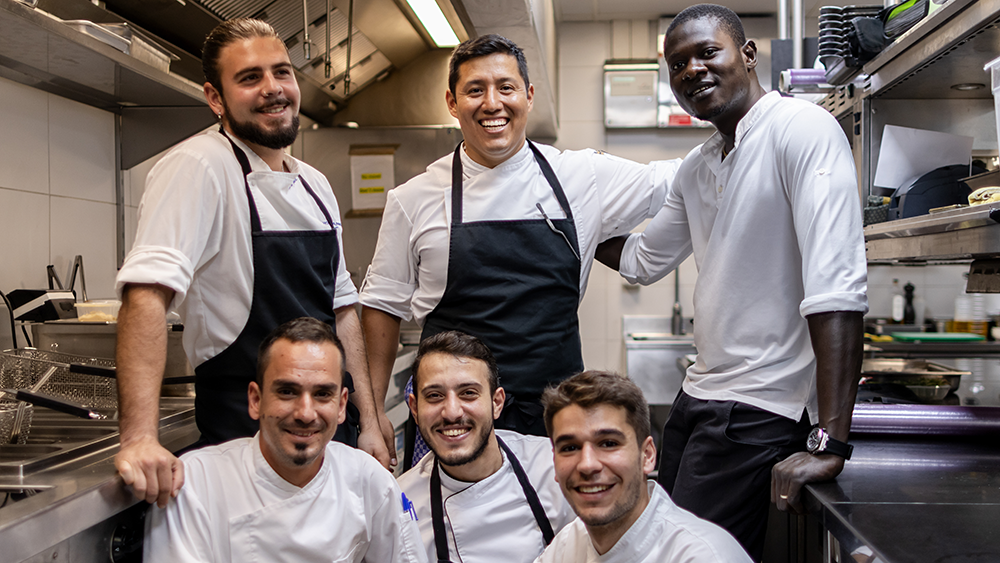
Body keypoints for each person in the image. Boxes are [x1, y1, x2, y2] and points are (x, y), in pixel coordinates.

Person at [595, 5, 868, 560]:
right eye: (677, 65)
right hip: (699, 398)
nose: (691, 70)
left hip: (759, 407)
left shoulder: (802, 129)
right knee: (658, 546)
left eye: (706, 52)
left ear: (748, 54)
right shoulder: (698, 165)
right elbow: (643, 260)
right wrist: (567, 221)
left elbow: (836, 289)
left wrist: (831, 441)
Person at [114, 17, 391, 509]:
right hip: (244, 450)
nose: (272, 89)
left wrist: (368, 421)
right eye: (249, 78)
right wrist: (139, 436)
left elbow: (342, 310)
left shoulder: (315, 184)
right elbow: (146, 295)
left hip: (330, 439)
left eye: (281, 73)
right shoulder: (198, 167)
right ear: (215, 98)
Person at [361, 34, 680, 454]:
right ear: (453, 103)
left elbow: (680, 178)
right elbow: (382, 306)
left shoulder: (580, 177)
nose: (492, 103)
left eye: (505, 87)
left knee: (555, 522)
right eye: (475, 90)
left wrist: (759, 122)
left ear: (528, 96)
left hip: (555, 419)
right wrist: (371, 417)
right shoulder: (414, 198)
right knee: (444, 520)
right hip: (453, 421)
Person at [143, 317, 426, 563]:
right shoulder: (195, 484)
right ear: (255, 400)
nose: (305, 413)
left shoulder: (369, 482)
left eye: (322, 394)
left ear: (341, 406)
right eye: (287, 392)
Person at [397, 331, 576, 563]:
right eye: (434, 396)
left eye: (468, 393)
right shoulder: (400, 503)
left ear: (496, 403)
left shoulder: (553, 468)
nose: (452, 412)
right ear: (415, 409)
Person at [535, 371, 751, 562]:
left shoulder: (702, 556)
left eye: (609, 444)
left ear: (647, 455)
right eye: (570, 447)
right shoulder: (568, 545)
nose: (587, 465)